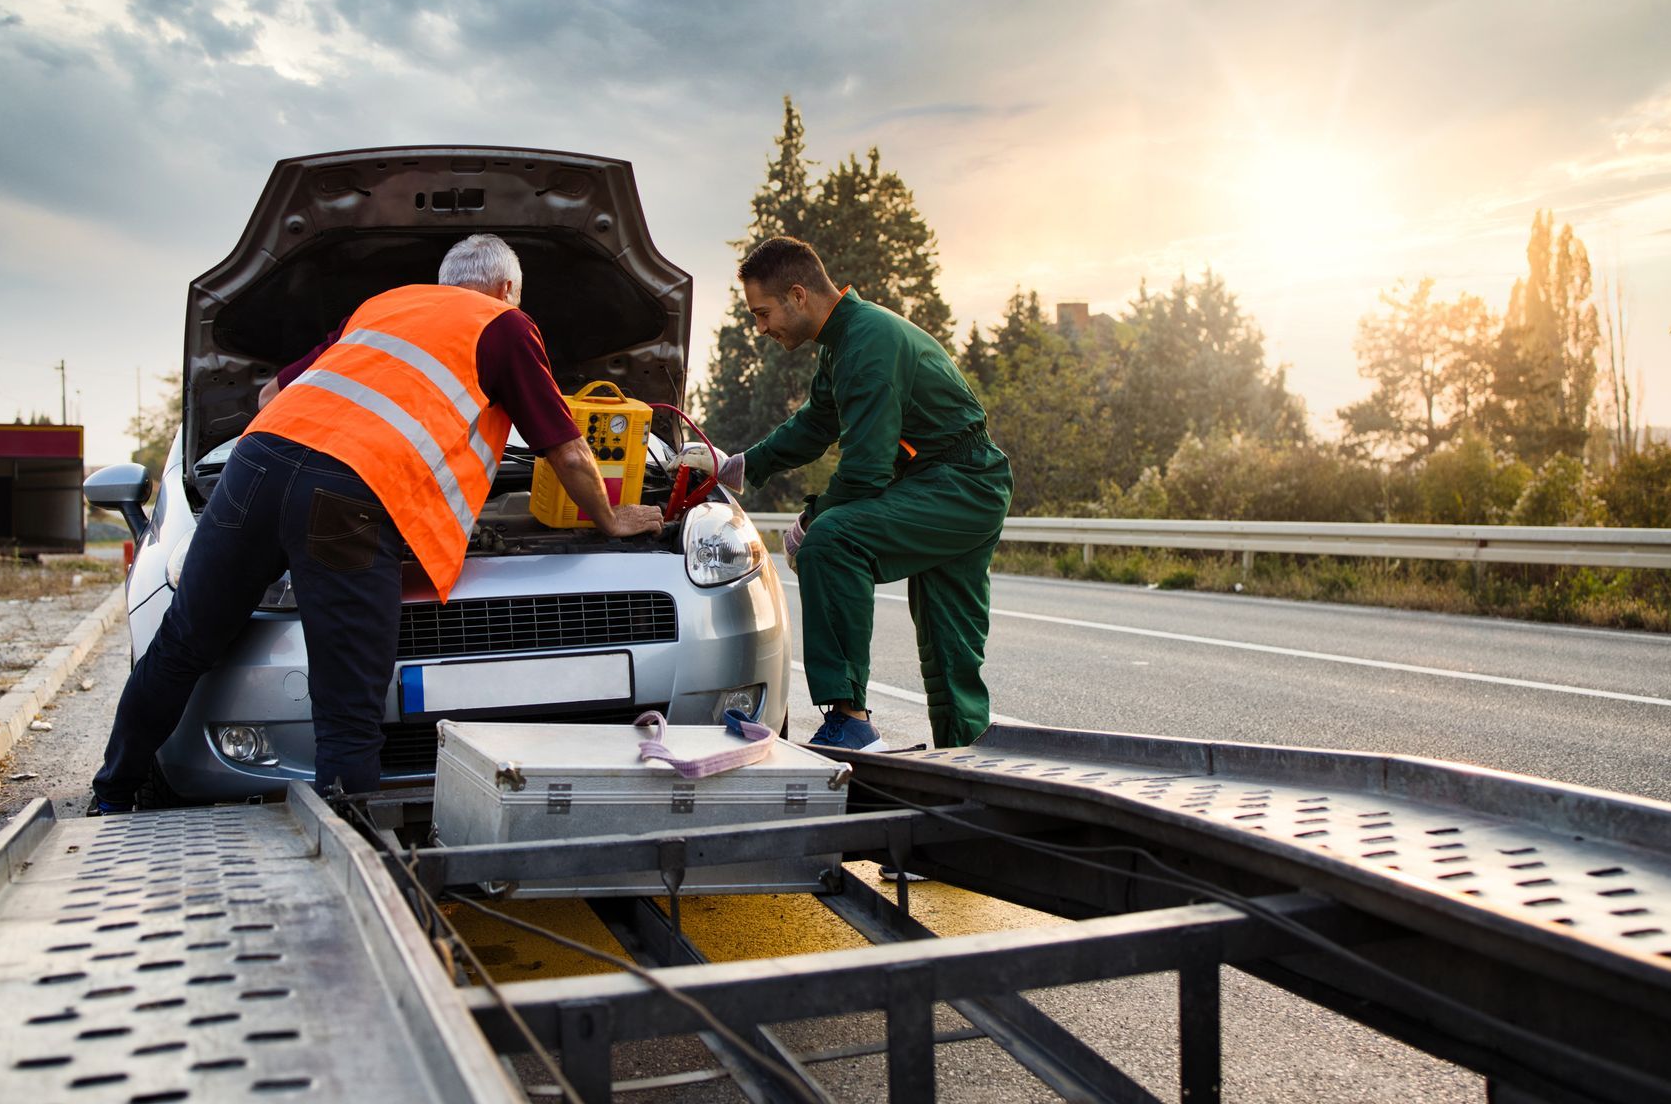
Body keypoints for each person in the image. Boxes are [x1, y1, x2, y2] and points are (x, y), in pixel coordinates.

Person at [89, 234, 664, 812]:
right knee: (347, 711)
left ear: (443, 283)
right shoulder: (504, 324)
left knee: (180, 647)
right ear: (508, 289)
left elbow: (270, 393)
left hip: (254, 465)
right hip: (347, 495)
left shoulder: (381, 307)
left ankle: (111, 795)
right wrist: (610, 519)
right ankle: (346, 860)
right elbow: (565, 450)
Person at [708, 236, 1011, 751]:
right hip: (953, 484)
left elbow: (866, 471)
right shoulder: (844, 341)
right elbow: (814, 424)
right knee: (949, 645)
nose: (760, 329)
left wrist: (812, 520)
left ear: (798, 295)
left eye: (763, 313)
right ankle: (967, 757)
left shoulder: (867, 342)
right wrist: (739, 466)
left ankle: (850, 720)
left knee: (833, 541)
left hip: (960, 484)